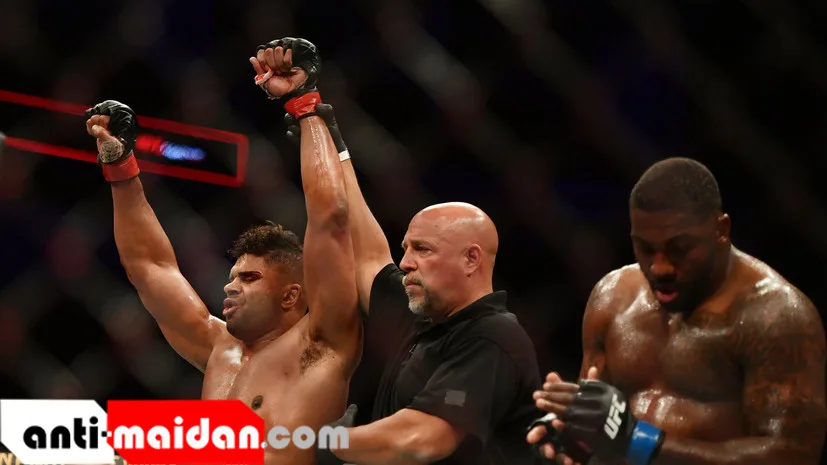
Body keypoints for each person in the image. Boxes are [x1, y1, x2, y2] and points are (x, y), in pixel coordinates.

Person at [83, 37, 362, 465]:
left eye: (249, 279)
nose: (230, 287)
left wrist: (305, 104)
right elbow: (150, 267)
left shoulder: (321, 346)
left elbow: (331, 218)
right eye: (233, 277)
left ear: (291, 295)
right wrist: (121, 170)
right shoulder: (219, 347)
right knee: (79, 440)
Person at [284, 102, 542, 464]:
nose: (405, 262)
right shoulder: (419, 314)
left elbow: (421, 438)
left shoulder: (493, 337)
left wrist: (324, 441)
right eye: (405, 248)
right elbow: (366, 253)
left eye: (422, 249)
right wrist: (331, 145)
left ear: (471, 259)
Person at [526, 157, 827, 465]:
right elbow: (599, 422)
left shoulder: (775, 317)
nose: (660, 267)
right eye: (645, 248)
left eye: (679, 248)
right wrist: (565, 435)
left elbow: (791, 456)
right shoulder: (612, 298)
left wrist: (636, 441)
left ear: (721, 229)